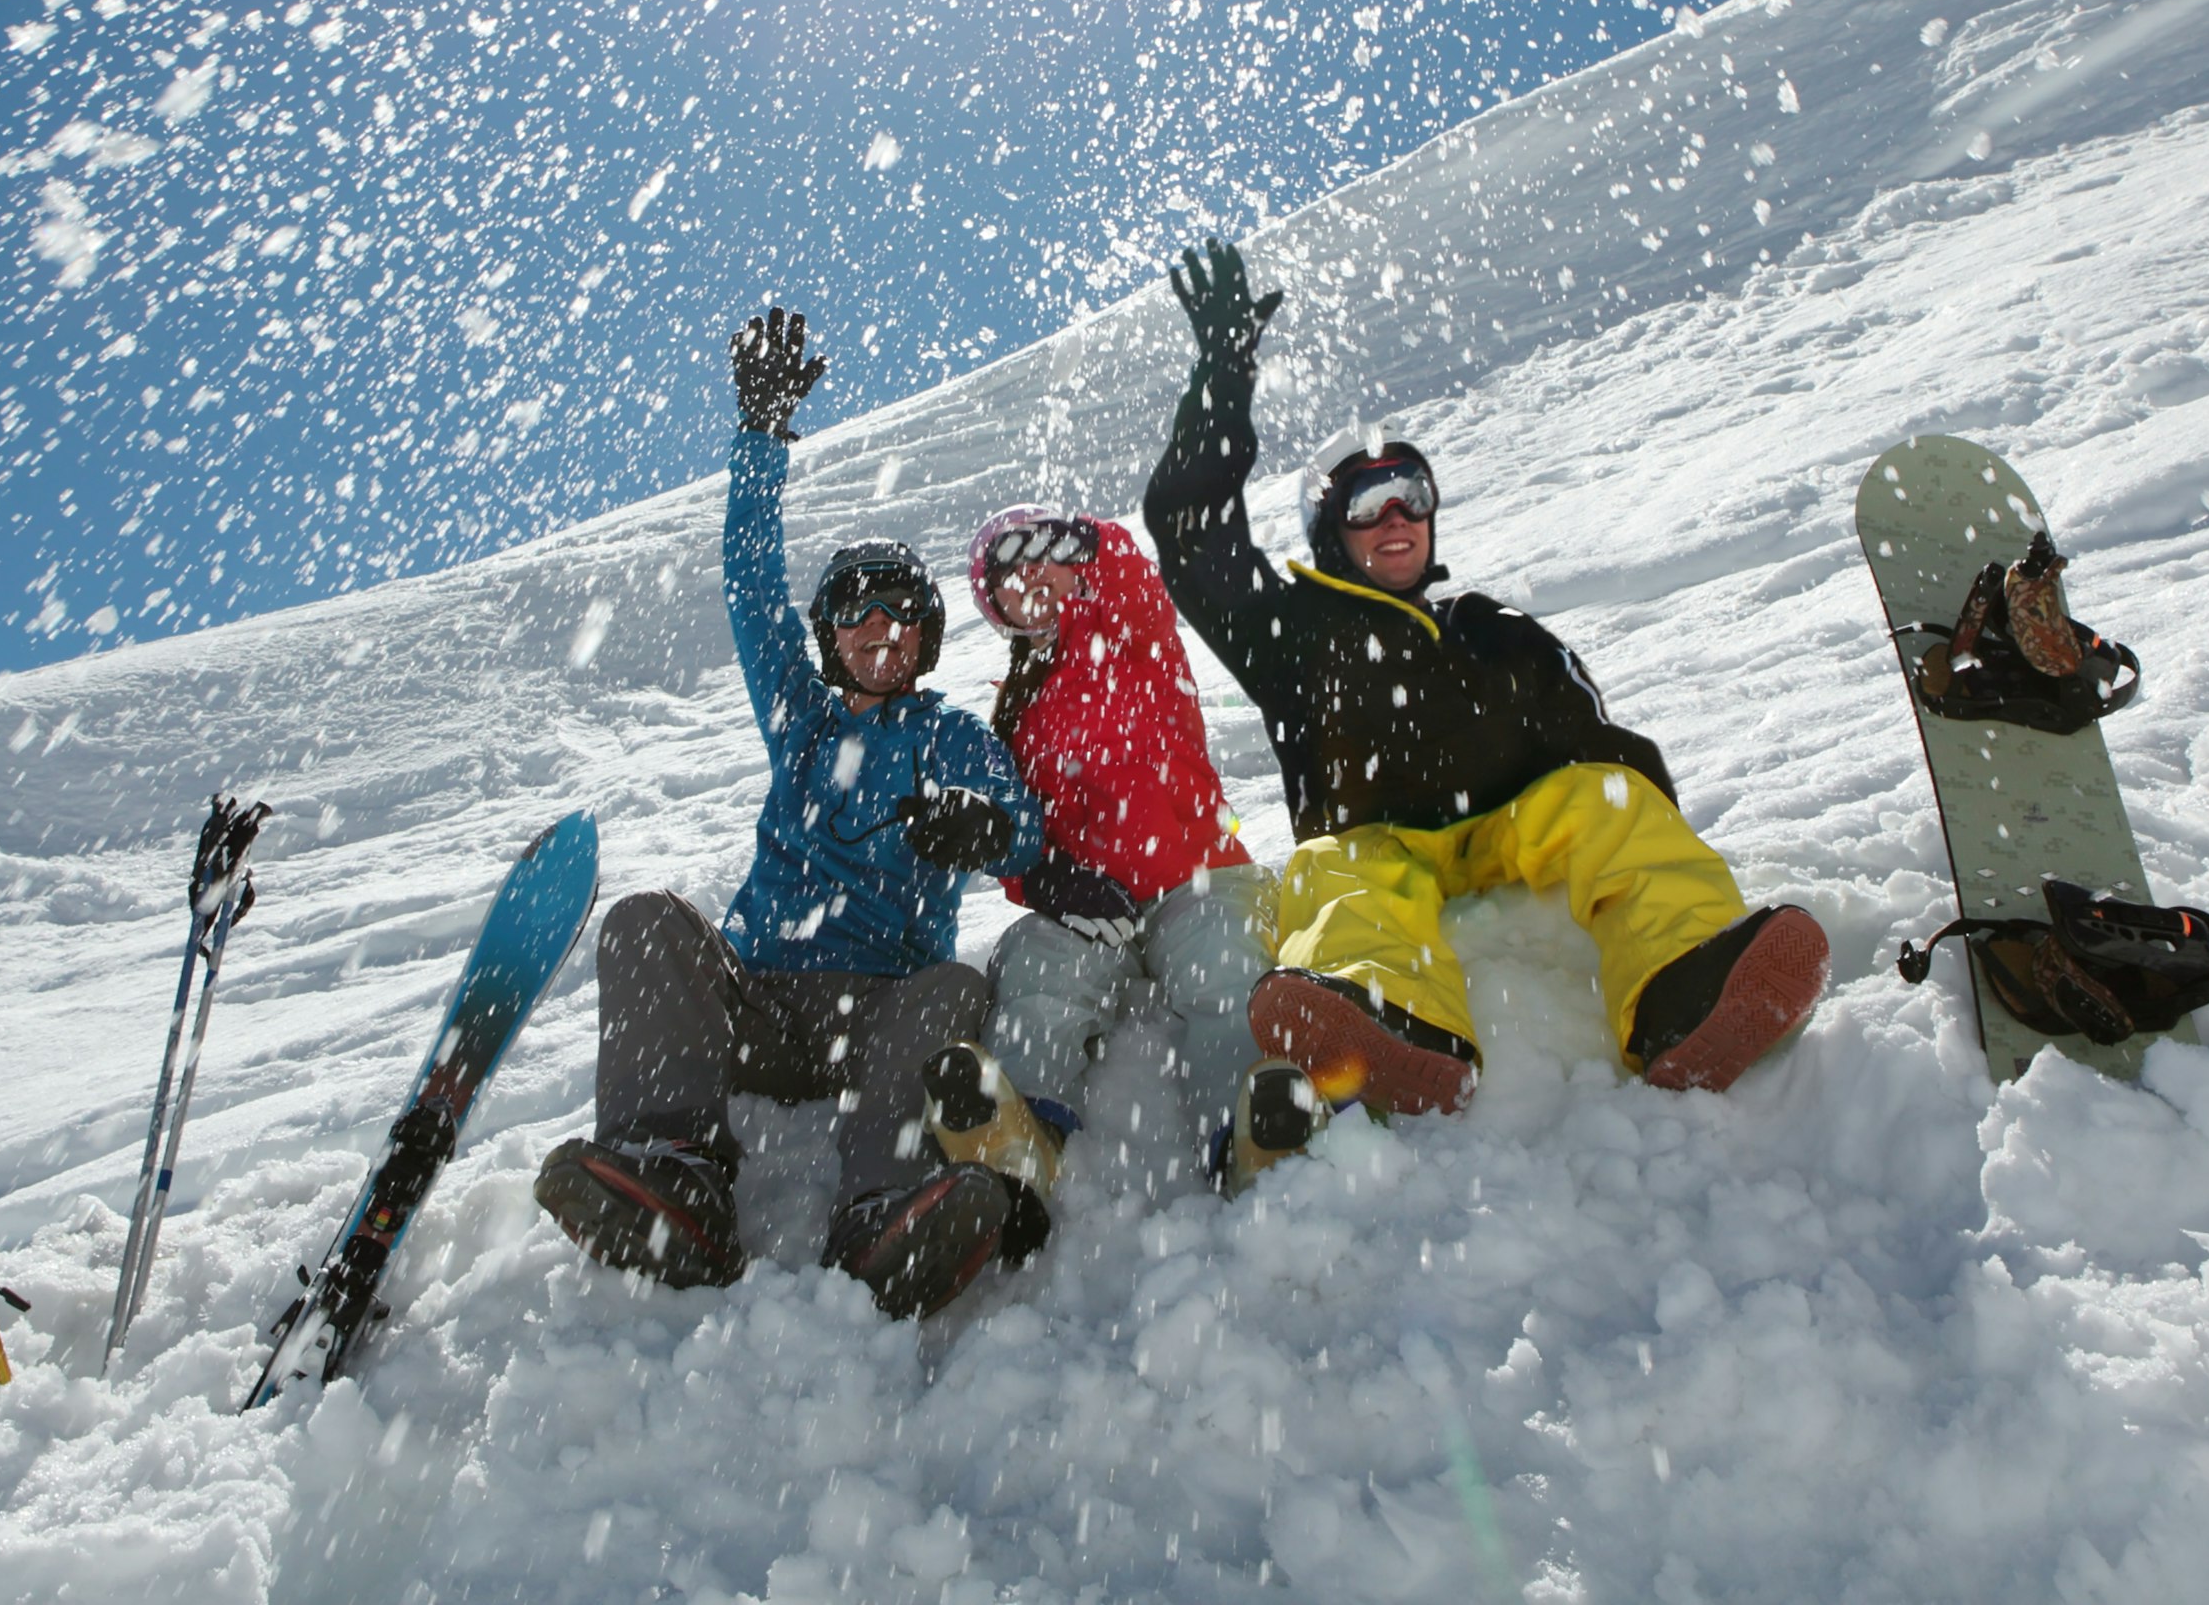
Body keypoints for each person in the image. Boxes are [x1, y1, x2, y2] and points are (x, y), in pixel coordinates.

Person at [1142, 239, 1829, 1117]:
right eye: (1365, 503)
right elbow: (1191, 531)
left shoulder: (1490, 624)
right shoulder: (1292, 628)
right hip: (1378, 834)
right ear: (1329, 534)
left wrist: (1630, 788)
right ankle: (1396, 1026)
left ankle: (1686, 988)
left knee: (1608, 804)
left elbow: (1587, 731)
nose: (1395, 518)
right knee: (1332, 877)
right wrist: (1223, 375)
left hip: (1518, 819)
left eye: (1411, 496)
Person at [534, 307, 1057, 1319]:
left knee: (955, 983)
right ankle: (675, 1176)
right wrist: (761, 435)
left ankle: (885, 1208)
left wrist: (987, 829)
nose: (882, 626)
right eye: (858, 608)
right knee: (645, 919)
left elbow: (1023, 823)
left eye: (904, 610)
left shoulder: (947, 734)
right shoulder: (803, 721)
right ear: (827, 634)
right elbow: (747, 579)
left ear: (927, 638)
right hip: (763, 1000)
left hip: (880, 1011)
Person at [963, 506, 1317, 1193]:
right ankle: (1020, 1138)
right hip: (1100, 906)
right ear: (994, 606)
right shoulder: (1014, 713)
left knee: (1225, 970)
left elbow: (1136, 584)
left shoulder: (1127, 633)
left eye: (1044, 556)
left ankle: (1248, 1123)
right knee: (1040, 977)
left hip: (1198, 874)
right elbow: (1018, 835)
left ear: (1074, 571)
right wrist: (1043, 883)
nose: (1030, 574)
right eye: (1007, 571)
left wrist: (1093, 541)